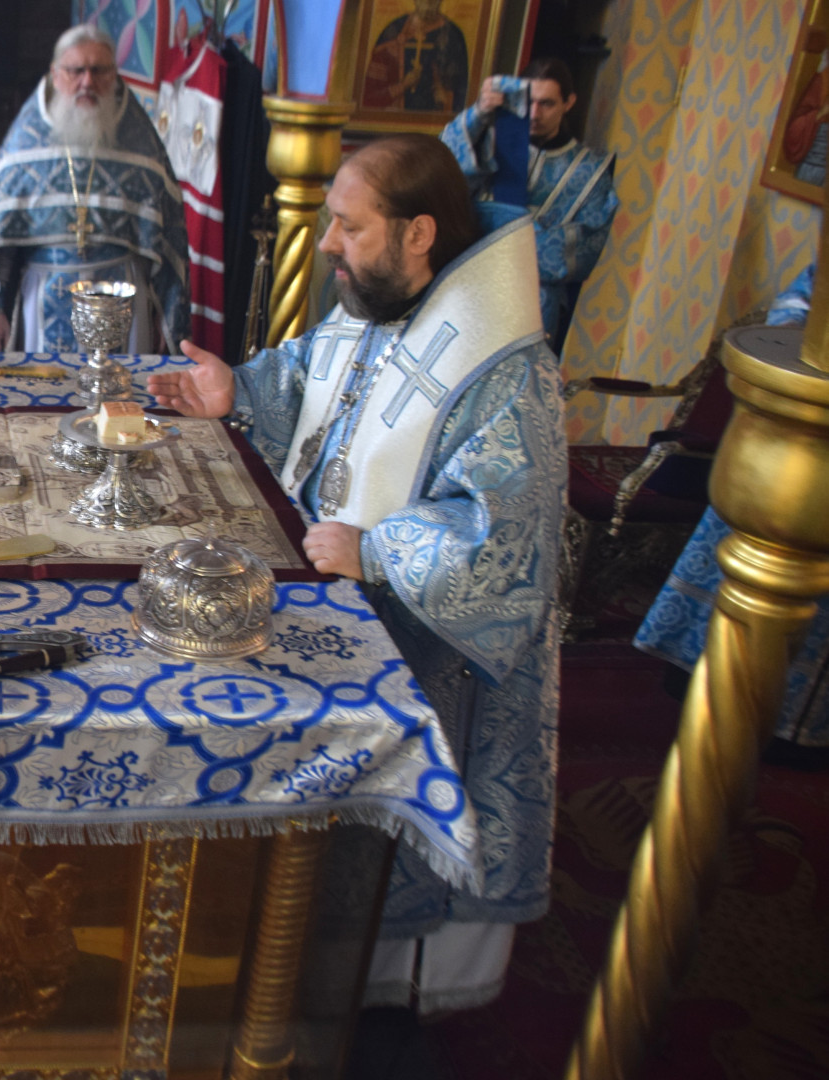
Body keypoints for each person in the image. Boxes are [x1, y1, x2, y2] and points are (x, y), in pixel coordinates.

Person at [148, 134, 565, 1013]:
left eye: (348, 225)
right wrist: (240, 391)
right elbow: (314, 376)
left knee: (376, 928)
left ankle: (394, 986)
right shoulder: (382, 296)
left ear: (417, 233)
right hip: (333, 592)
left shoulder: (503, 368)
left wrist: (377, 550)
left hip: (435, 652)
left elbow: (504, 539)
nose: (328, 244)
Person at [635, 261, 829, 759]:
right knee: (741, 562)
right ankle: (696, 684)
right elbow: (799, 299)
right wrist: (804, 344)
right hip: (797, 423)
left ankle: (790, 734)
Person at [0, 25, 190, 354]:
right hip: (44, 295)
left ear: (114, 75)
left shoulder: (141, 144)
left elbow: (169, 238)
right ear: (55, 74)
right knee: (43, 387)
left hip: (123, 299)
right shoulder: (25, 143)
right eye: (76, 70)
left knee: (120, 386)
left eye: (99, 71)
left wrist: (163, 312)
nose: (87, 82)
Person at [441, 58, 618, 349]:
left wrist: (492, 229)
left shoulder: (591, 173)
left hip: (531, 305)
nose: (534, 114)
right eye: (529, 102)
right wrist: (478, 114)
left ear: (569, 102)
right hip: (466, 286)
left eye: (547, 104)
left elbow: (579, 251)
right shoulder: (488, 145)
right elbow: (441, 178)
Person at [361, 0, 471, 113]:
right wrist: (403, 85)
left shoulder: (453, 36)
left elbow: (463, 94)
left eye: (432, 1)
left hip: (435, 119)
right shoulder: (393, 32)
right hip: (394, 120)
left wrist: (445, 97)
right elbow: (369, 97)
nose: (427, 5)